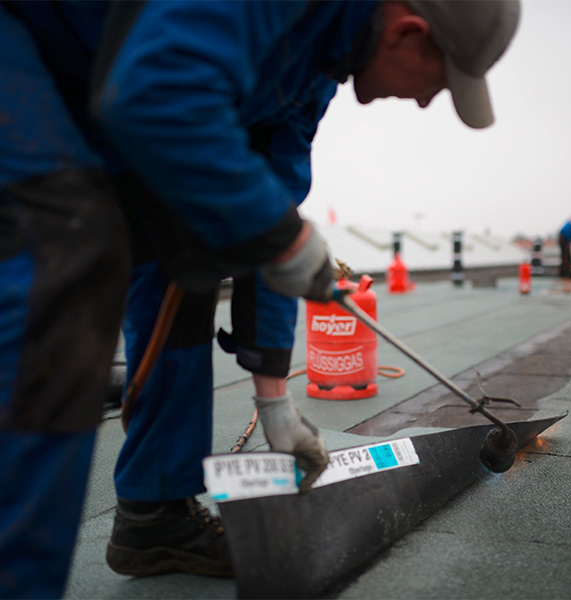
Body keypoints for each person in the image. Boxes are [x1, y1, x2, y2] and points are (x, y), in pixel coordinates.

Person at [0, 0, 521, 597]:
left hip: (104, 82)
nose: (428, 100)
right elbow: (154, 94)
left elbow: (265, 211)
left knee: (188, 263)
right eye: (438, 83)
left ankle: (155, 517)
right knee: (64, 244)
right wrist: (282, 235)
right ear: (409, 32)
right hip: (29, 43)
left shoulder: (319, 65)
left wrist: (276, 400)